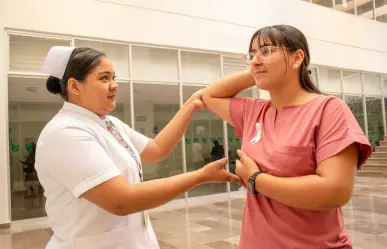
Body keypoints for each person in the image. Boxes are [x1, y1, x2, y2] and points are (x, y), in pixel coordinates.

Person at [36, 46, 240, 249]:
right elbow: (121, 200)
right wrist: (200, 176)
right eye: (104, 78)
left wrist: (190, 105)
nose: (114, 85)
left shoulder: (109, 123)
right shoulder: (66, 132)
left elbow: (157, 149)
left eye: (114, 78)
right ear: (75, 86)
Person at [202, 25, 372, 249]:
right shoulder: (253, 112)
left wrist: (256, 180)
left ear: (297, 57)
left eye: (266, 51)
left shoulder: (329, 110)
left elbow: (336, 191)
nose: (254, 60)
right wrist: (260, 69)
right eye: (251, 55)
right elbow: (209, 95)